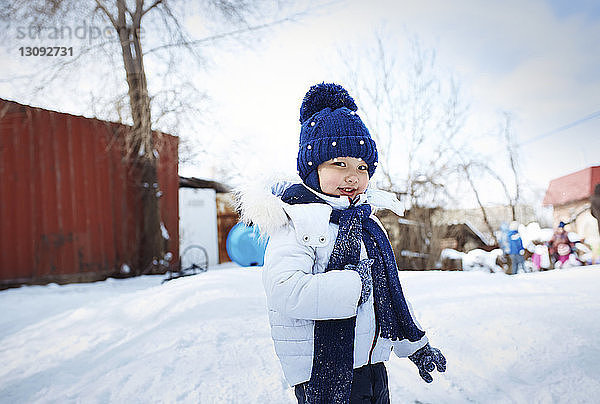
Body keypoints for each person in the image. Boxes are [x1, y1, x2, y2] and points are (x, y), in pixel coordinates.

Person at [236, 83, 445, 403]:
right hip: (324, 374)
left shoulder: (366, 225)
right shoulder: (295, 223)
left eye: (362, 166)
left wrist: (415, 345)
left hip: (372, 367)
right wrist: (352, 285)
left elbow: (387, 295)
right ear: (311, 168)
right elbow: (284, 291)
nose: (353, 176)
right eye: (339, 164)